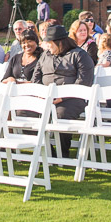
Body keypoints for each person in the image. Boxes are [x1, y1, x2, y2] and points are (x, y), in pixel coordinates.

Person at [32, 24, 94, 159]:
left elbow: (84, 82)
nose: (47, 46)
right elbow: (35, 78)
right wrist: (41, 96)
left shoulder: (79, 55)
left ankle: (62, 153)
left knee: (61, 114)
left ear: (58, 42)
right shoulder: (44, 56)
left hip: (72, 99)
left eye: (49, 43)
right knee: (24, 112)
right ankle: (48, 150)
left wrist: (61, 97)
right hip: (45, 97)